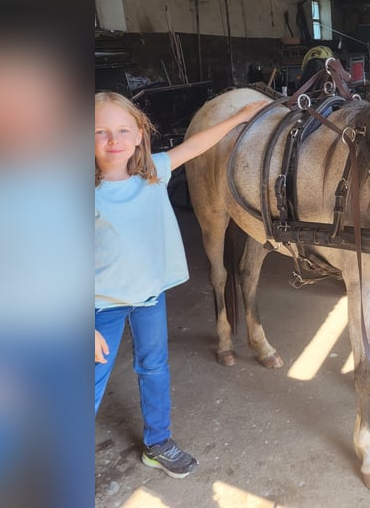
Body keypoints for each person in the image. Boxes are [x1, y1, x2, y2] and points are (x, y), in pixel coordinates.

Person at [94, 92, 267, 478]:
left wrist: (239, 118)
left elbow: (196, 145)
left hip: (148, 299)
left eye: (123, 129)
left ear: (140, 134)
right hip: (98, 307)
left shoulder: (153, 173)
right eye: (100, 131)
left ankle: (158, 442)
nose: (113, 140)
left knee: (154, 367)